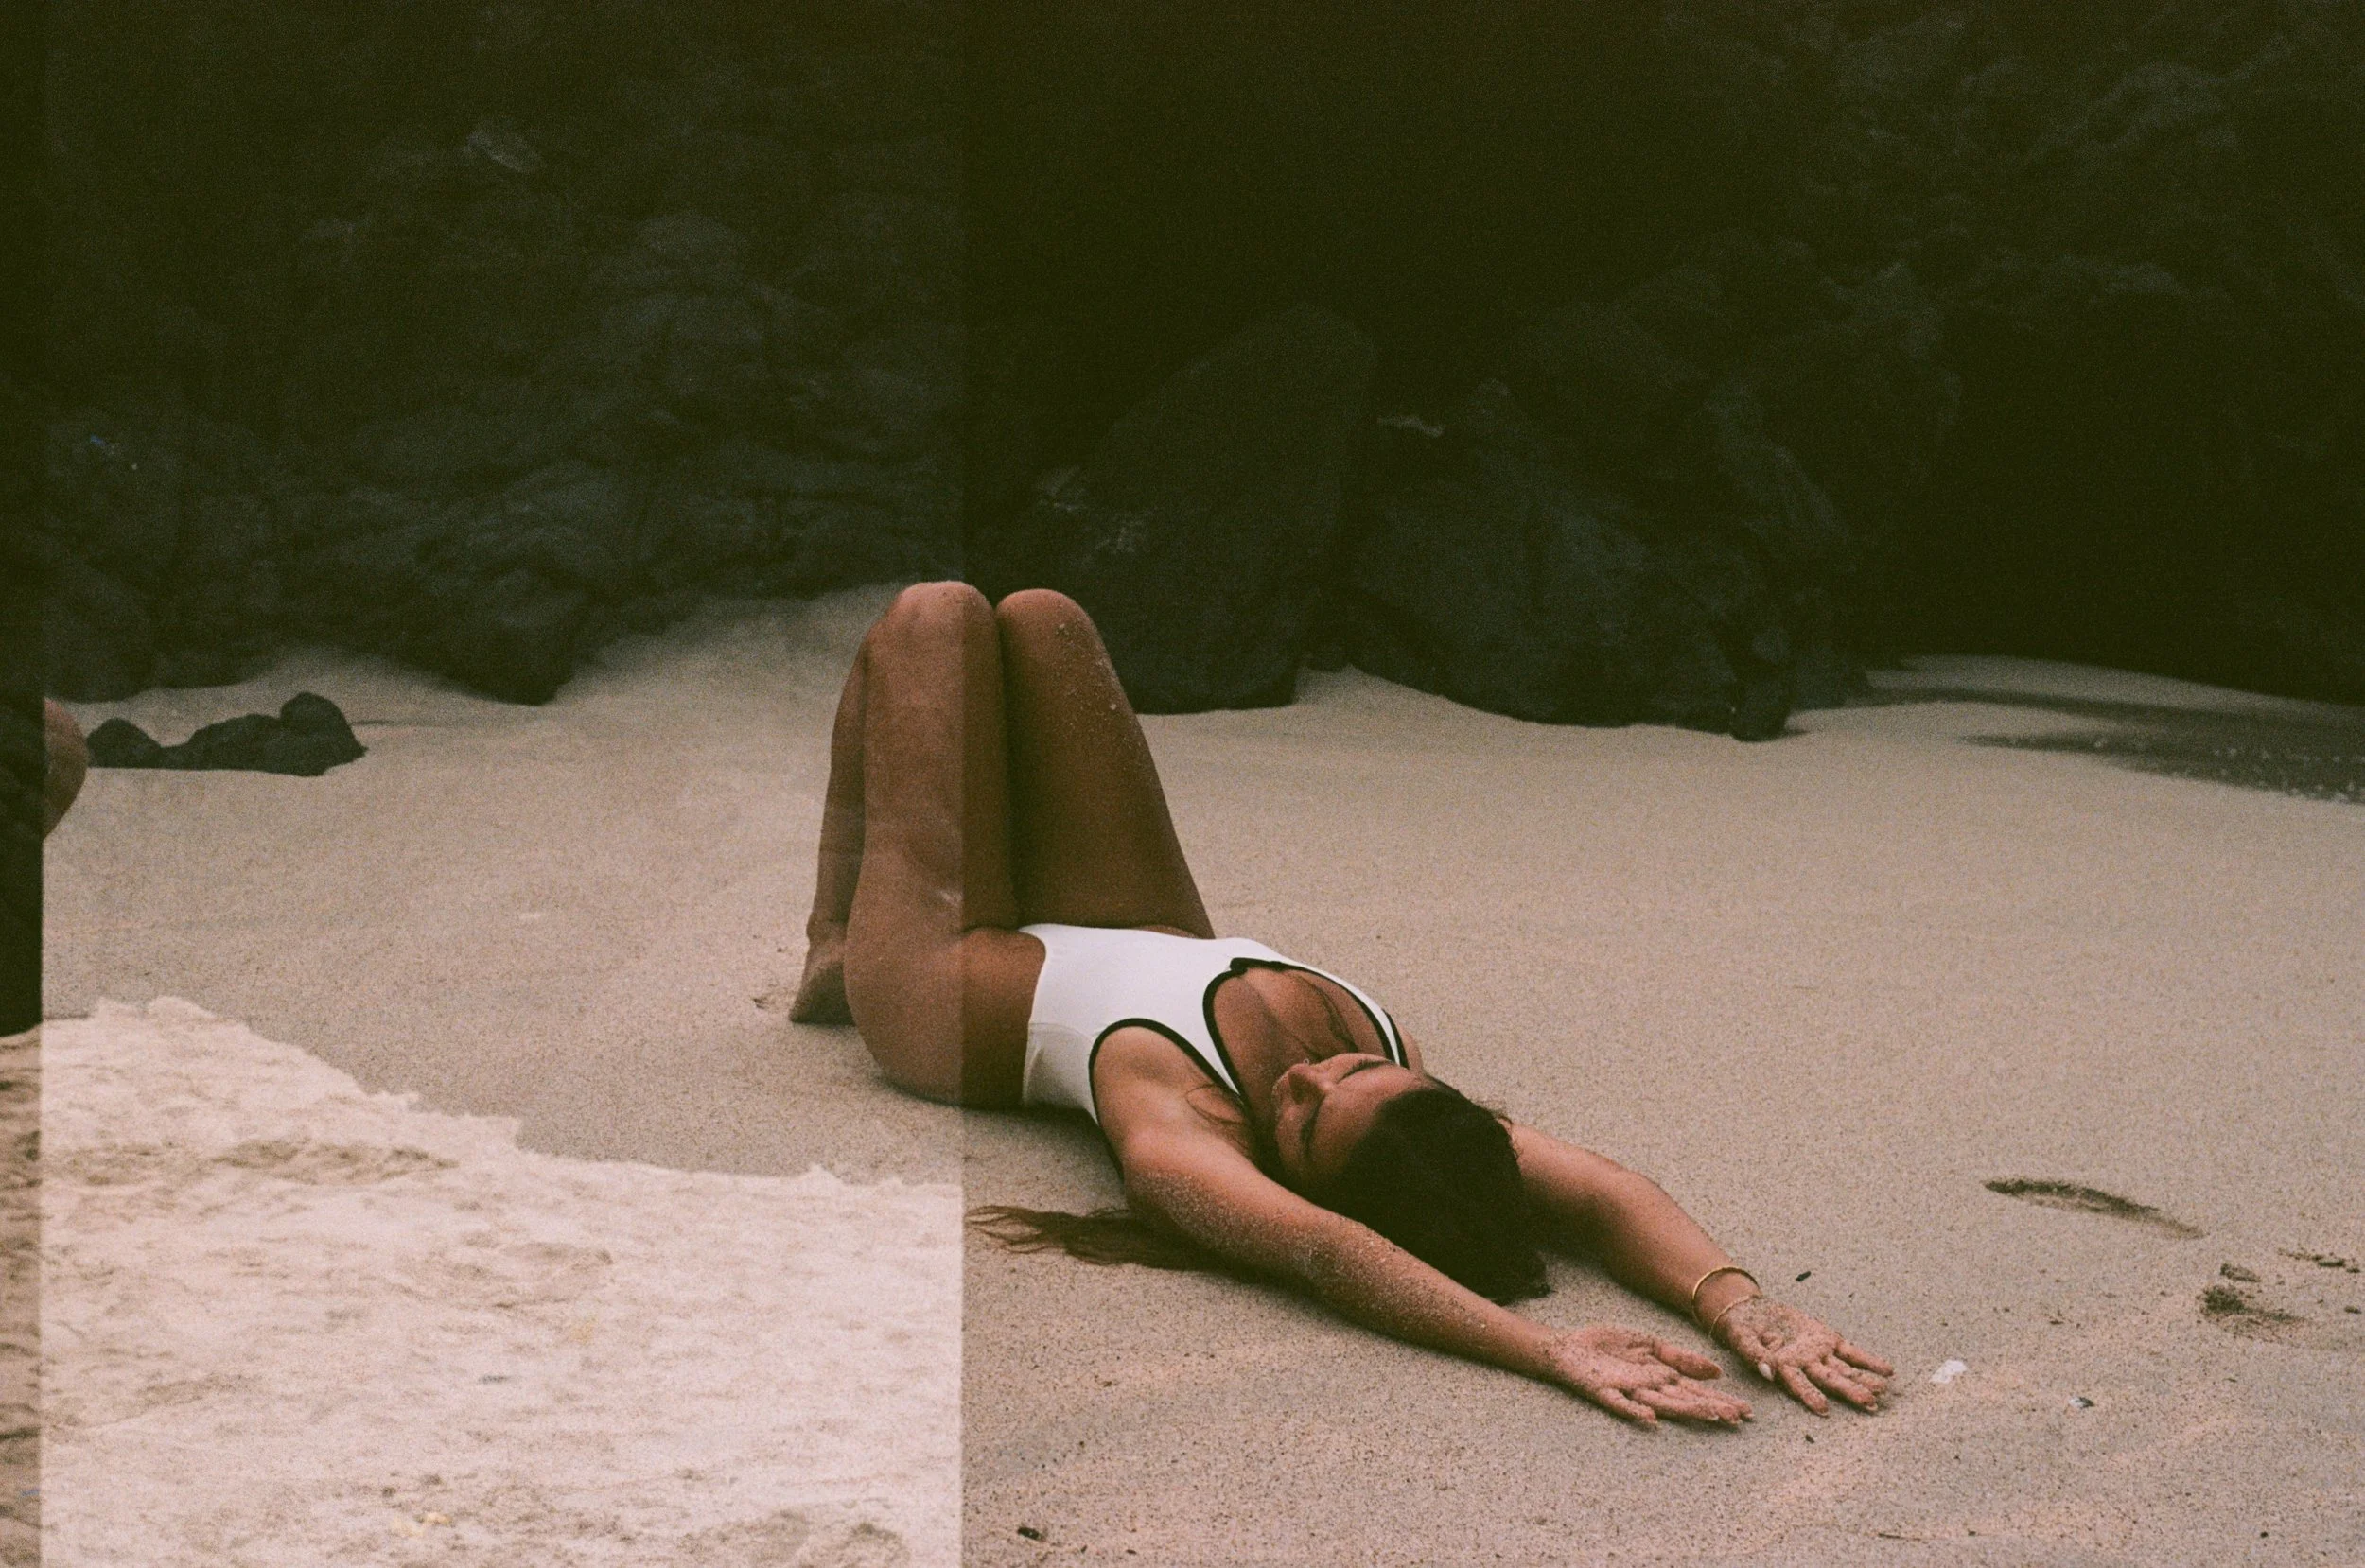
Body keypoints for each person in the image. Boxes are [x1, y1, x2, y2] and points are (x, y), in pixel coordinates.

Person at [791, 583, 1892, 1428]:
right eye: (1354, 1071)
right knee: (1042, 619)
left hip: (953, 979)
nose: (1313, 1072)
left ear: (1297, 1171)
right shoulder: (1413, 1104)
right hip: (1135, 921)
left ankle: (835, 939)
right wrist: (1738, 1301)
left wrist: (1546, 1350)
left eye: (1306, 1117)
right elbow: (1607, 1194)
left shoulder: (1185, 1137)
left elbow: (1329, 1255)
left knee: (932, 620)